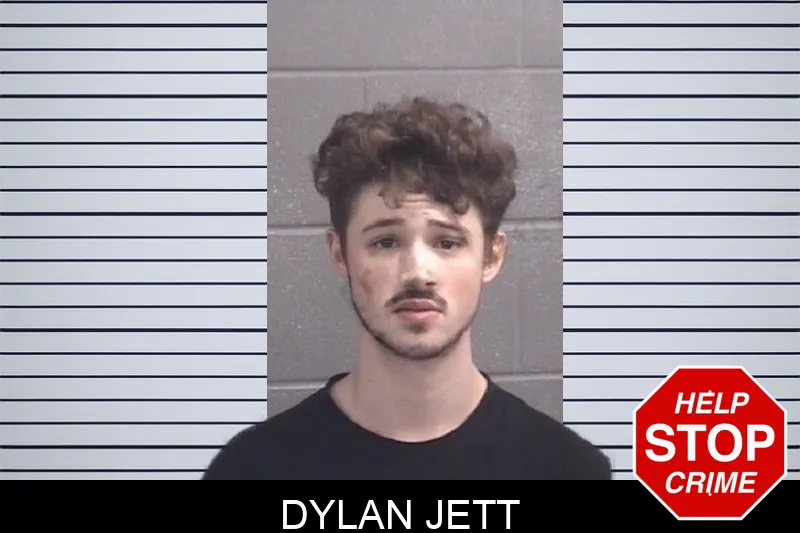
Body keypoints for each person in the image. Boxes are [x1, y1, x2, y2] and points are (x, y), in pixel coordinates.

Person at [202, 97, 612, 480]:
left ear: (491, 256)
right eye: (385, 242)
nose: (417, 272)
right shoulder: (253, 469)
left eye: (447, 243)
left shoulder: (567, 470)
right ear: (341, 253)